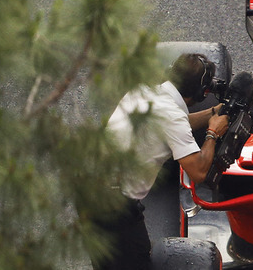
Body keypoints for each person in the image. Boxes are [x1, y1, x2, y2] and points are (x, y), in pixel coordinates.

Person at [90, 53, 230, 270]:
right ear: (202, 92)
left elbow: (178, 123)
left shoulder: (142, 92)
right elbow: (199, 172)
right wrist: (213, 133)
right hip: (115, 205)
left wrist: (214, 112)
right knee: (137, 263)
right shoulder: (172, 116)